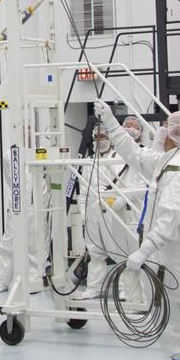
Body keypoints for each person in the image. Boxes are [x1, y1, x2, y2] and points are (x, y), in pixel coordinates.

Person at [96, 100, 180, 360]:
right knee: (179, 335)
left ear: (174, 134)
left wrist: (144, 251)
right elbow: (134, 154)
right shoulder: (171, 161)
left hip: (175, 264)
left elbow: (170, 220)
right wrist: (110, 121)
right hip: (176, 262)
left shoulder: (178, 171)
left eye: (166, 126)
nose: (160, 129)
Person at [71, 120, 147, 301]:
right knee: (95, 251)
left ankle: (124, 289)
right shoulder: (89, 161)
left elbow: (125, 186)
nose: (99, 140)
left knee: (119, 251)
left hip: (111, 211)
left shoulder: (119, 159)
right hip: (92, 211)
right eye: (96, 137)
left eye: (103, 136)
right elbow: (83, 188)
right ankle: (93, 288)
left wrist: (115, 203)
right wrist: (83, 211)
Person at [0, 154, 50, 295]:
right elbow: (8, 177)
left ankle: (34, 278)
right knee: (9, 239)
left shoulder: (39, 150)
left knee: (35, 238)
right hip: (17, 197)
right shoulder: (9, 154)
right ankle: (3, 279)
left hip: (36, 197)